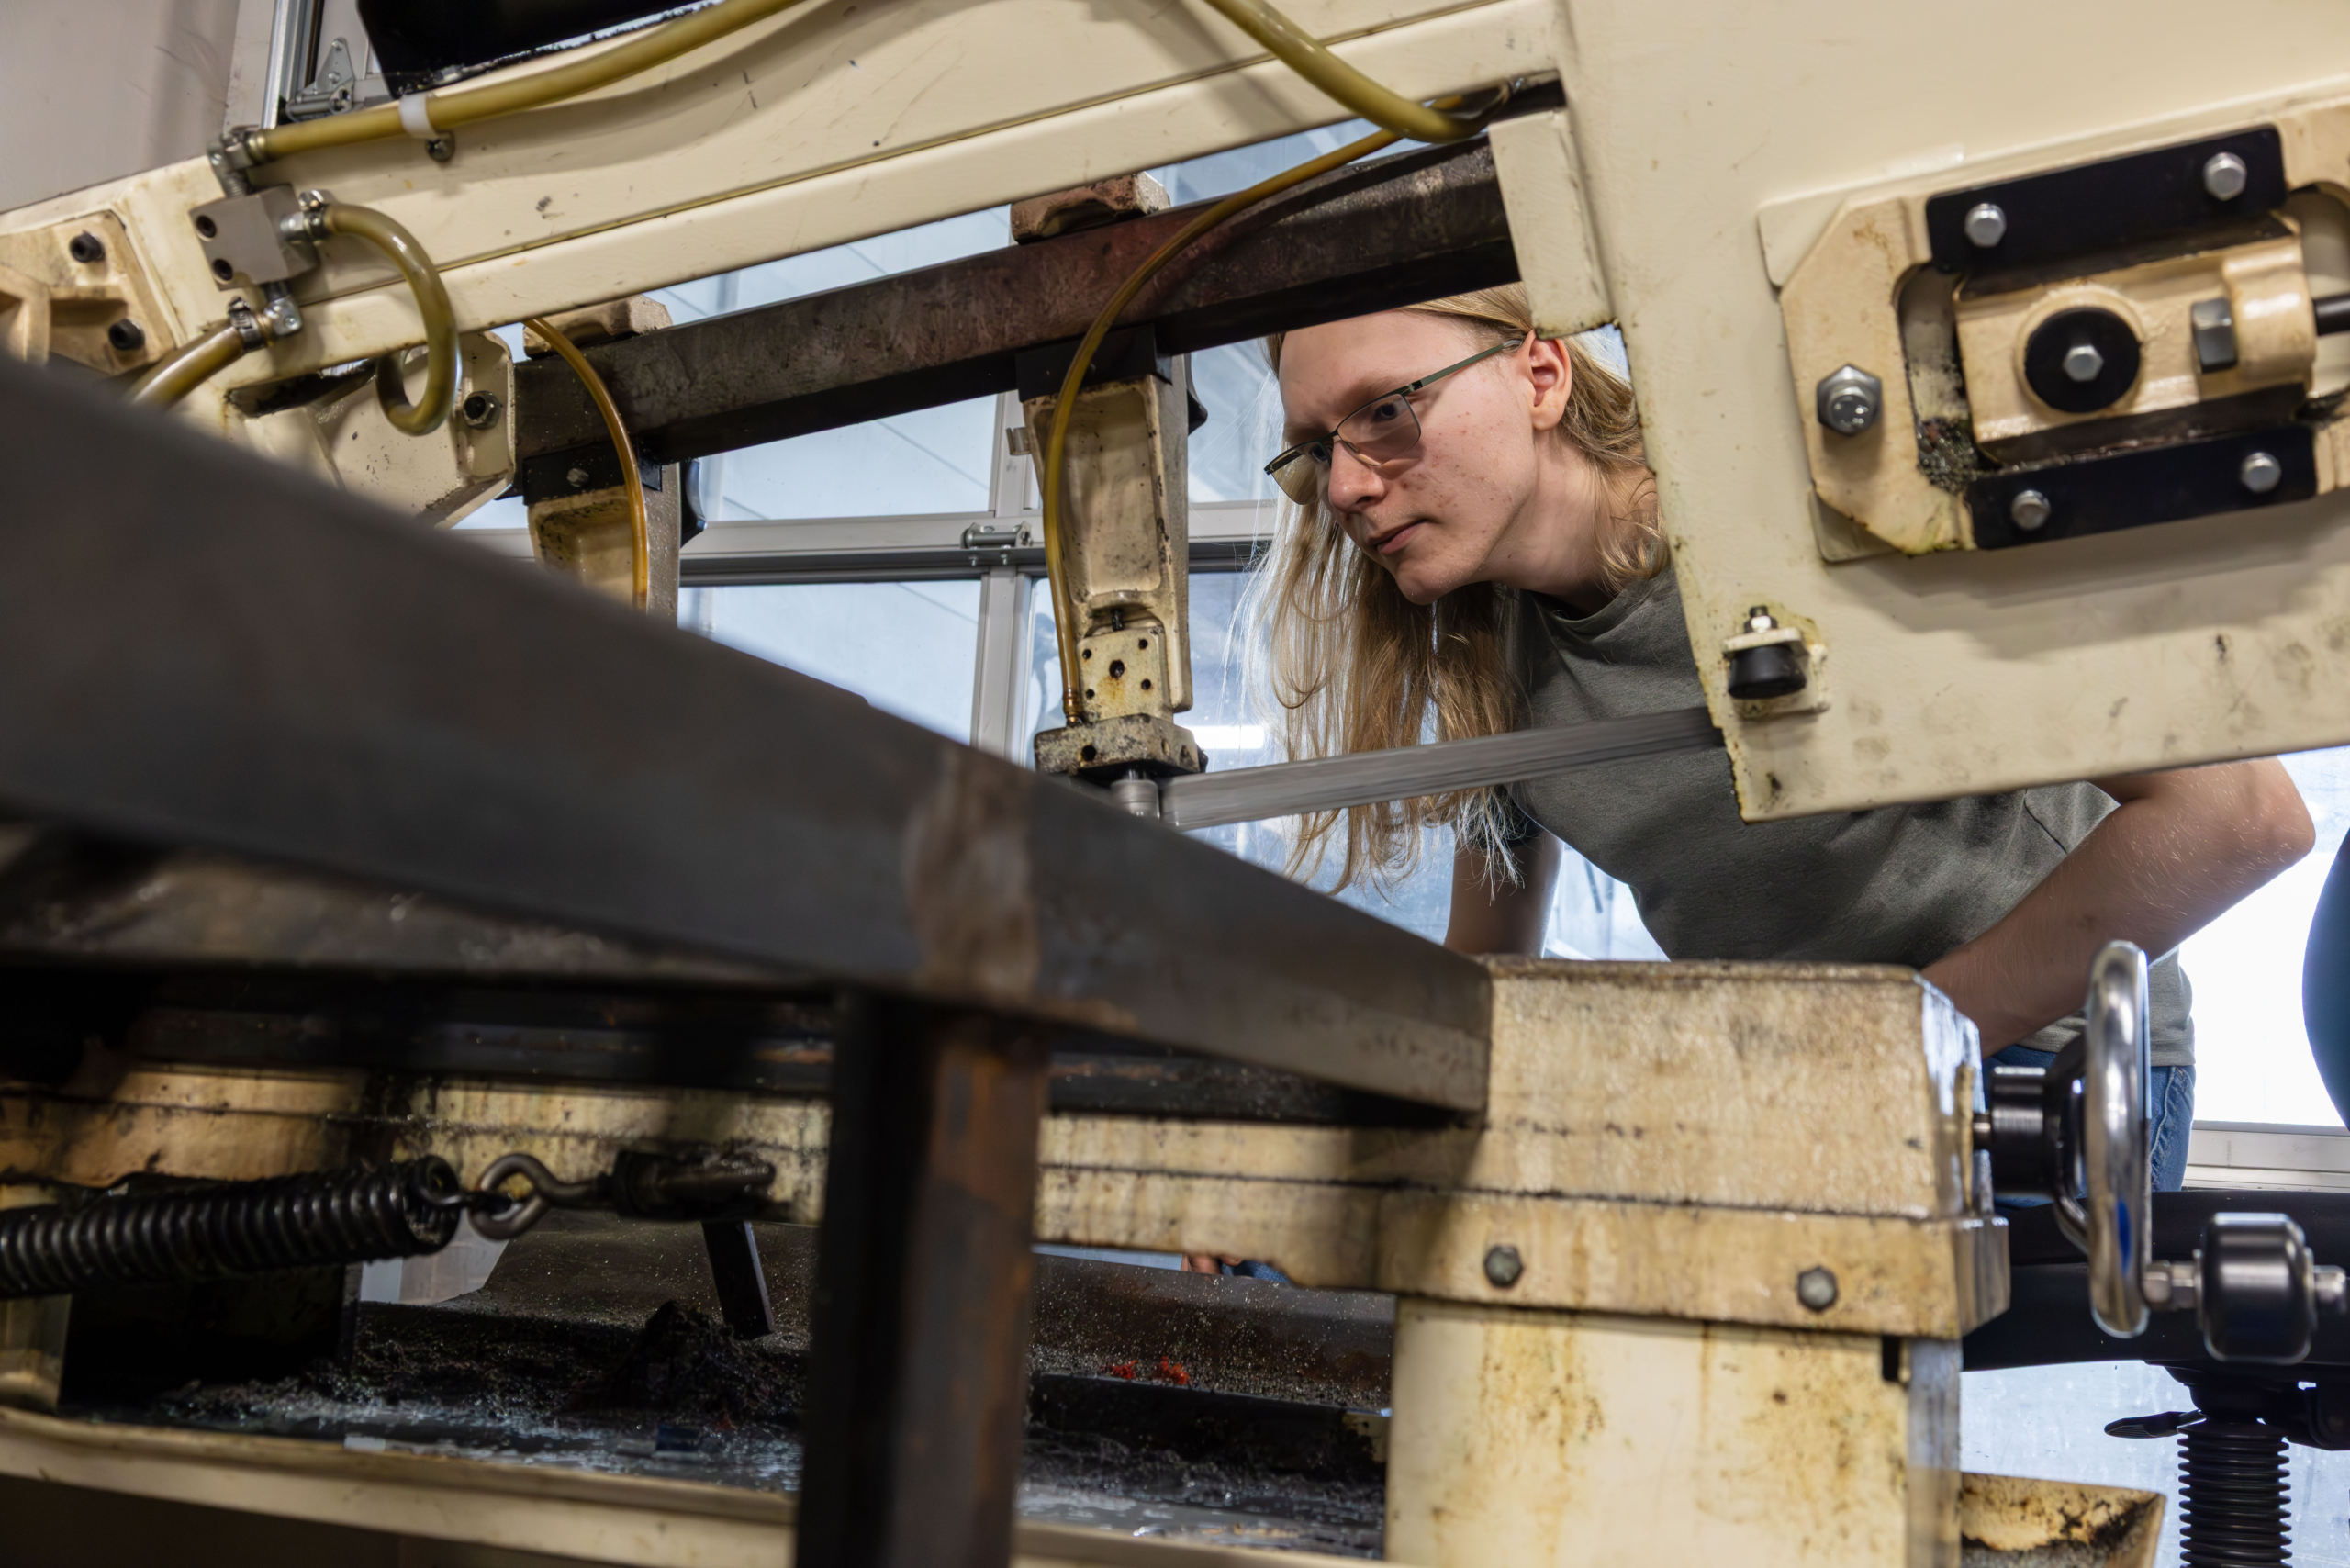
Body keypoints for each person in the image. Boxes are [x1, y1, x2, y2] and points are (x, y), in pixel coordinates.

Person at [1253, 284, 2311, 1193]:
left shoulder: (1805, 528)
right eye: (1314, 451)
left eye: (1388, 410)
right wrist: (1313, 1152)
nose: (1345, 487)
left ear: (1540, 375)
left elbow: (2238, 820)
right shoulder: (1490, 654)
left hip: (2041, 1054)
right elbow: (1485, 969)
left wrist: (1898, 1049)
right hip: (1797, 1079)